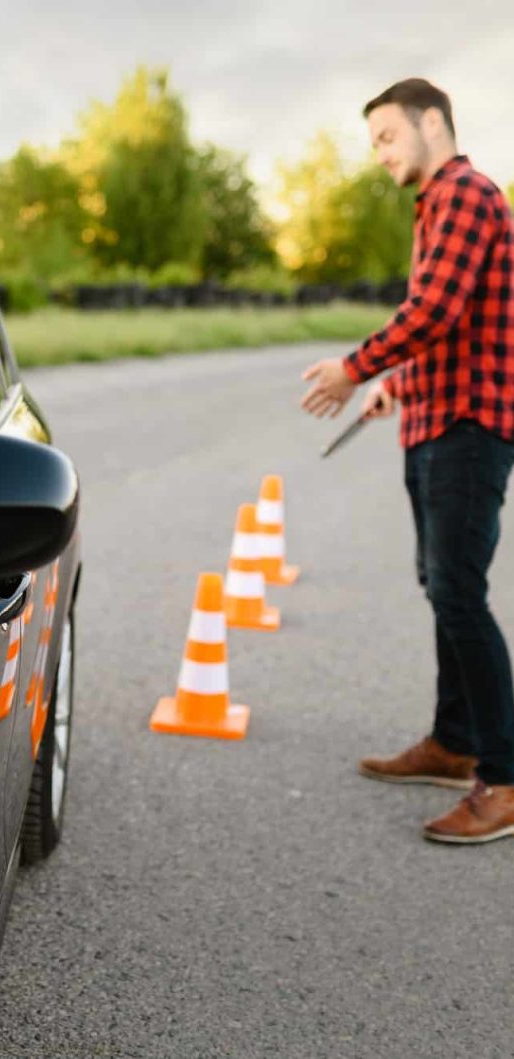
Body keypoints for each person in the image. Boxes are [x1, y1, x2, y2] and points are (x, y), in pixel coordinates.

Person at [300, 78, 514, 844]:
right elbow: (446, 330)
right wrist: (398, 383)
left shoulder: (463, 192)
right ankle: (455, 743)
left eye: (388, 136)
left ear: (433, 121)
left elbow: (433, 311)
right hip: (434, 415)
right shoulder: (437, 205)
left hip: (468, 427)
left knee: (459, 591)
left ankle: (505, 775)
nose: (381, 154)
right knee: (442, 584)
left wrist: (356, 367)